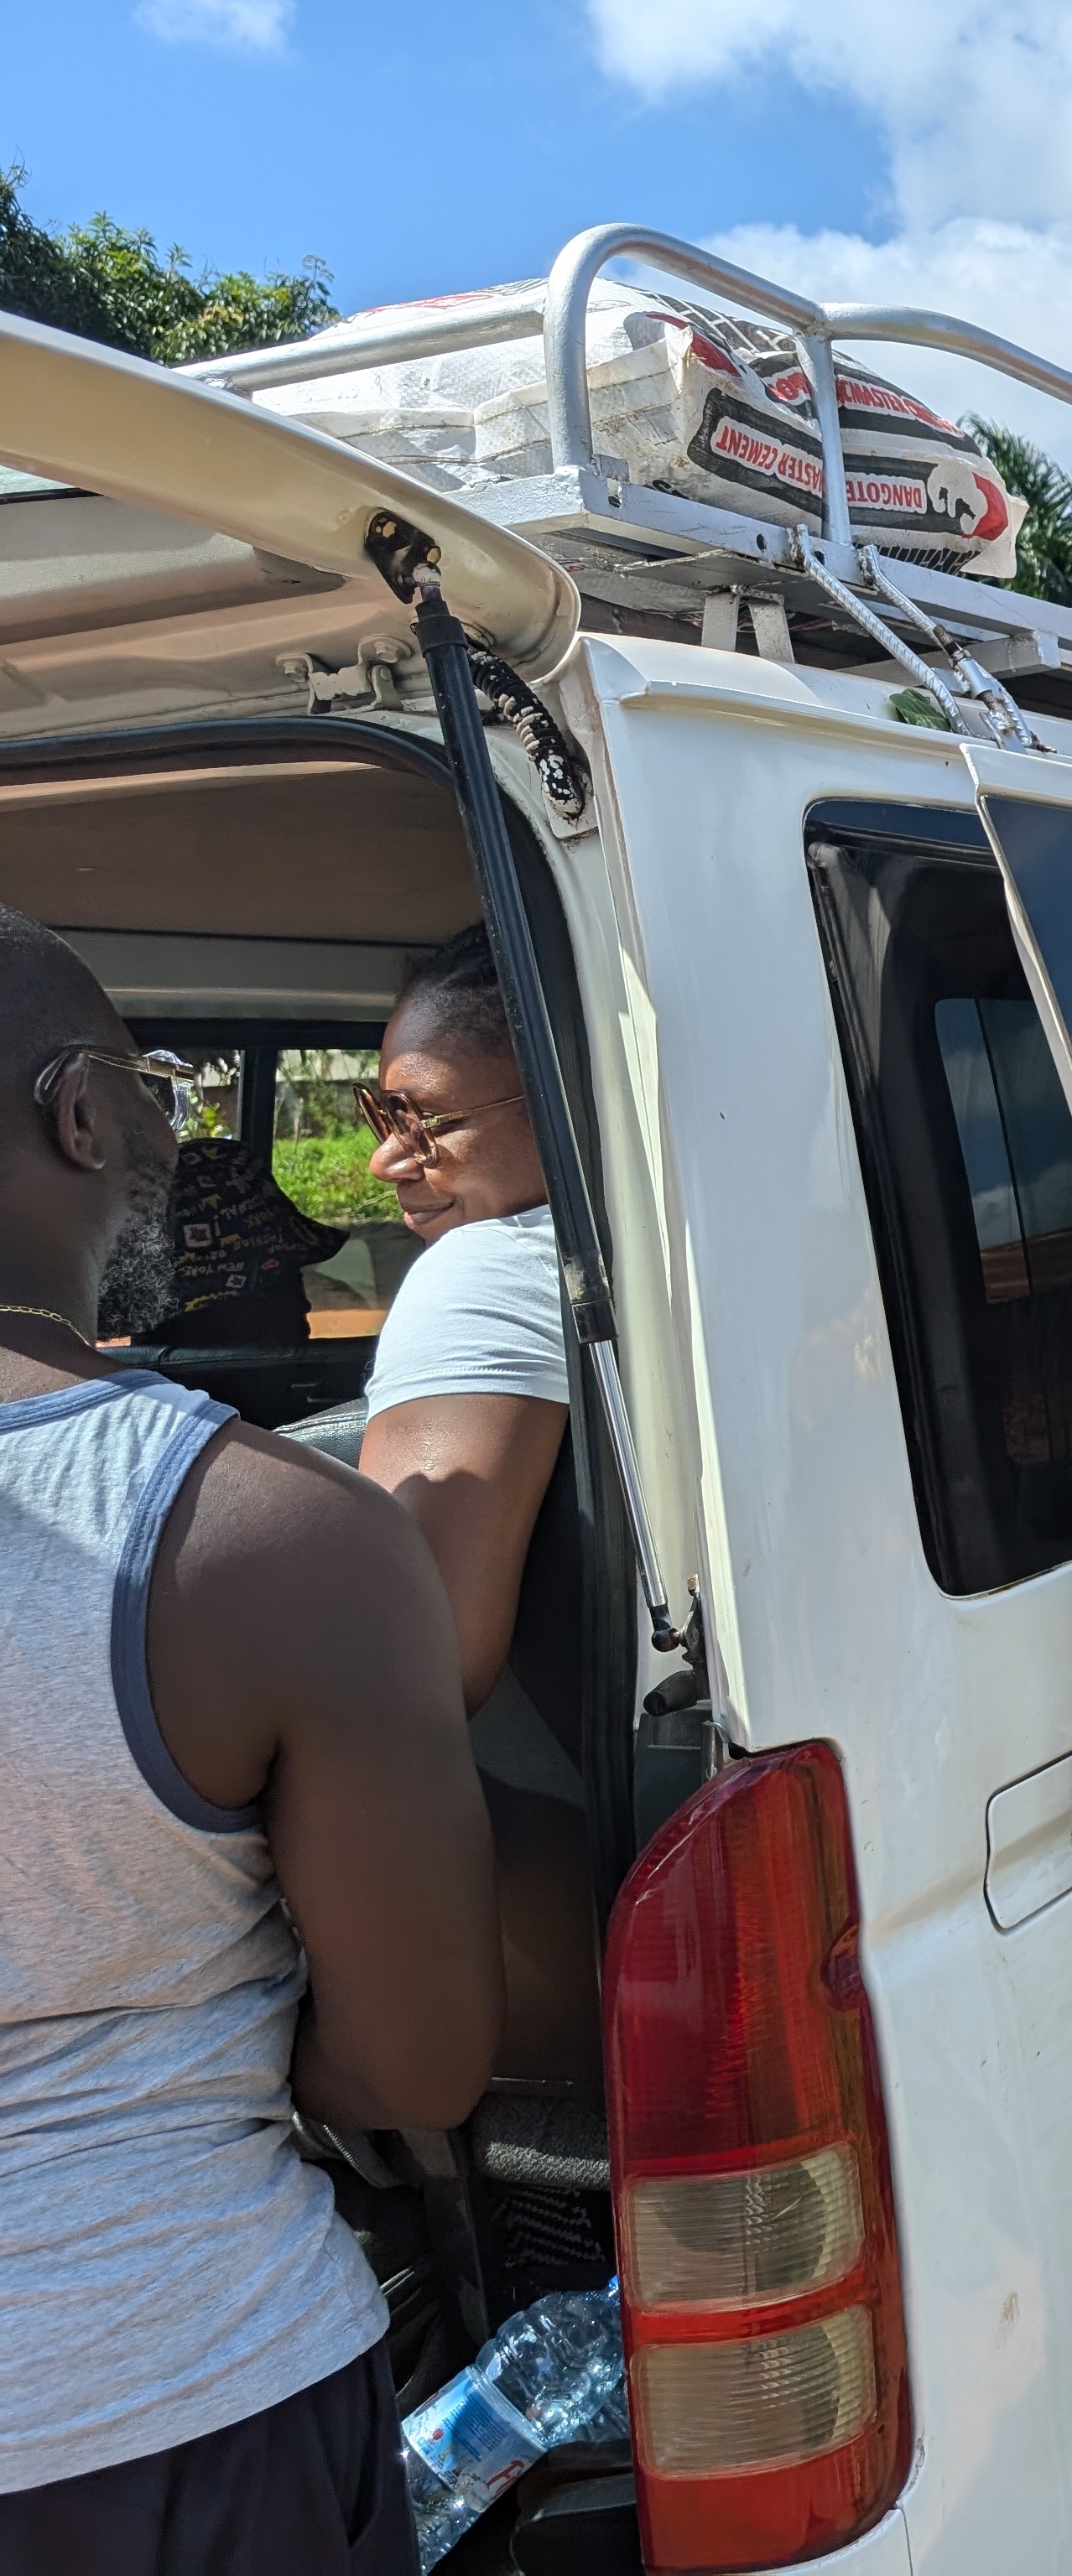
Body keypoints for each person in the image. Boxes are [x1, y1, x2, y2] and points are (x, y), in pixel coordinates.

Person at [0, 904, 498, 2569]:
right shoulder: (276, 1542)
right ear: (77, 1112)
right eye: (151, 1091)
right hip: (163, 2411)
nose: (179, 1134)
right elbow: (417, 2066)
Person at [353, 928, 572, 1713]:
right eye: (382, 1114)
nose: (386, 1160)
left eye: (423, 1119)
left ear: (560, 1097)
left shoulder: (485, 1268)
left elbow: (405, 1668)